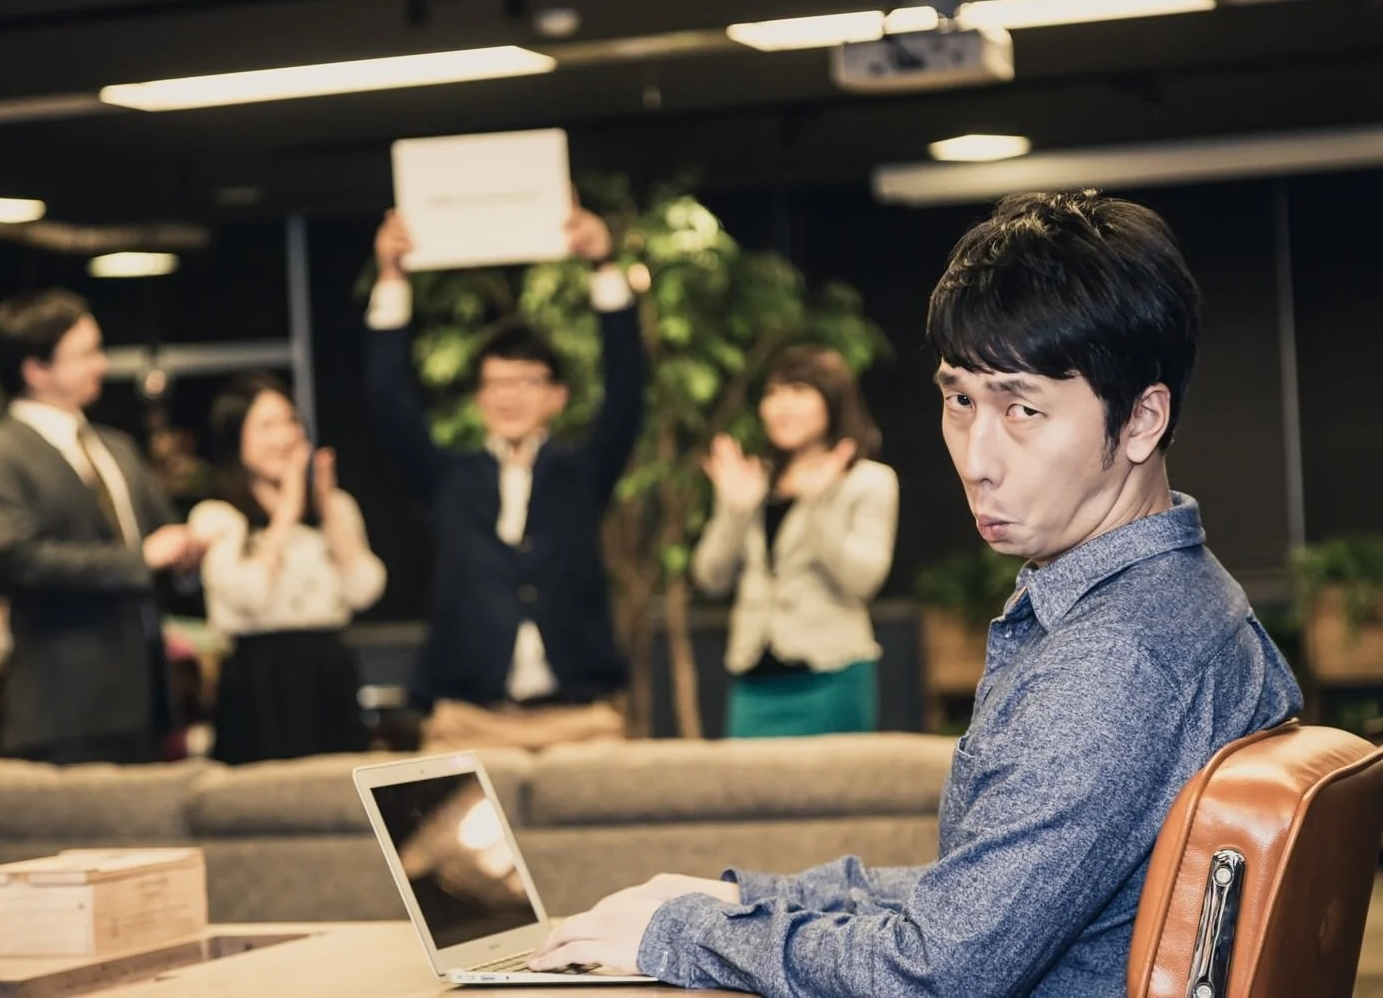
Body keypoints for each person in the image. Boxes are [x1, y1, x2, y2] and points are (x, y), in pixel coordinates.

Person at [527, 190, 1303, 996]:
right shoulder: (1186, 599)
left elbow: (935, 971)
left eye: (1023, 408)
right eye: (960, 399)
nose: (976, 459)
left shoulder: (1114, 662)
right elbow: (968, 908)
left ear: (1142, 419)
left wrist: (683, 934)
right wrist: (741, 901)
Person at [365, 205, 644, 752]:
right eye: (495, 384)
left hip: (578, 719)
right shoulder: (447, 478)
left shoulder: (582, 474)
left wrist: (604, 267)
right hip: (469, 720)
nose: (509, 396)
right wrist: (392, 278)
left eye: (527, 381)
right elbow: (389, 402)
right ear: (478, 398)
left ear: (557, 396)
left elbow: (627, 391)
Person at [0, 288, 200, 764]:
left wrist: (186, 555)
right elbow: (18, 557)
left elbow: (160, 539)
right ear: (37, 369)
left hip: (146, 697)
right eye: (86, 353)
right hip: (64, 706)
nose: (102, 365)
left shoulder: (116, 446)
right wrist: (141, 559)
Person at [692, 345, 897, 737]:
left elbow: (864, 580)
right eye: (773, 393)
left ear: (832, 400)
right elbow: (710, 578)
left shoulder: (869, 481)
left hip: (832, 677)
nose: (780, 406)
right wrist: (734, 511)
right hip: (753, 682)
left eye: (799, 391)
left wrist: (818, 507)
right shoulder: (752, 478)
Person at [188, 374, 386, 762]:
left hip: (328, 672)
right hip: (259, 681)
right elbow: (249, 596)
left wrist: (326, 508)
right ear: (236, 436)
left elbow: (365, 589)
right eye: (266, 426)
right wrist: (286, 514)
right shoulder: (218, 516)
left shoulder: (336, 507)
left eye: (290, 421)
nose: (283, 437)